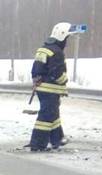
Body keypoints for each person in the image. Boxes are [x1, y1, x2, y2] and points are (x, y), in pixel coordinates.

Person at [27, 22, 76, 151]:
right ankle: (37, 144)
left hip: (41, 89)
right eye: (67, 38)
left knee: (53, 114)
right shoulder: (57, 52)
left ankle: (57, 139)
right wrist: (64, 80)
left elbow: (36, 69)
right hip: (51, 89)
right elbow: (57, 73)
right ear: (62, 36)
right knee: (45, 117)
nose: (66, 41)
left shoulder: (43, 48)